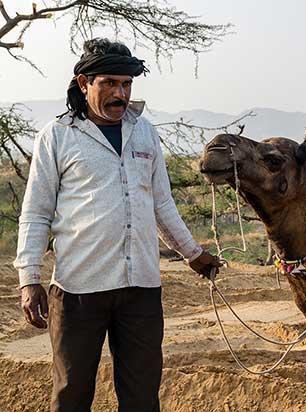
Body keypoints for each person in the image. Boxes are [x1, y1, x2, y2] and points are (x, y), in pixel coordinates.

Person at [14, 38, 220, 412]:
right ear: (83, 83)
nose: (119, 93)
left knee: (142, 397)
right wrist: (29, 278)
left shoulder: (145, 132)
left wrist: (193, 254)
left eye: (126, 84)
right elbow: (36, 211)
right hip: (78, 289)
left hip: (140, 288)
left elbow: (161, 205)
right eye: (108, 82)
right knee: (71, 395)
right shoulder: (57, 135)